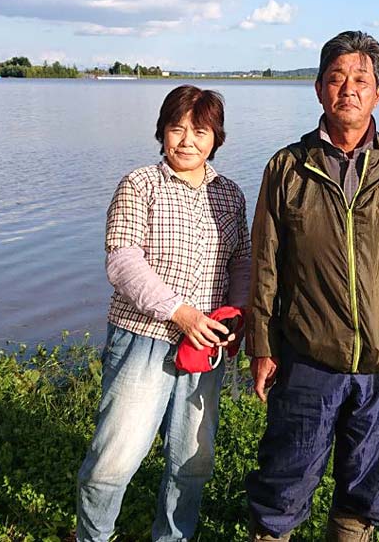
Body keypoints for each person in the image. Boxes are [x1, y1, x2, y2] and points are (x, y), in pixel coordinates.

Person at [245, 31, 379, 542]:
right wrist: (262, 346)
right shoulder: (288, 167)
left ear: (378, 92)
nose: (347, 89)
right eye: (336, 79)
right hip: (308, 355)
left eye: (360, 80)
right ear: (318, 89)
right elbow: (266, 263)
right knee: (285, 477)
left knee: (368, 485)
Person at [76, 85, 250, 542]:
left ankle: (173, 536)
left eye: (200, 131)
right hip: (143, 338)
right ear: (162, 132)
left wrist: (237, 316)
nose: (187, 141)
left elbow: (242, 262)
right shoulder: (139, 184)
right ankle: (94, 536)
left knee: (192, 462)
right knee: (112, 462)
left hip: (205, 347)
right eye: (177, 129)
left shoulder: (230, 195)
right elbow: (122, 260)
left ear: (216, 138)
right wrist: (180, 313)